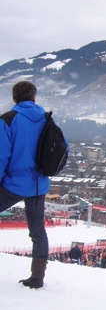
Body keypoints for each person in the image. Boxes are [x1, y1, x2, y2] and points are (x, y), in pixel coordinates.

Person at [0, 81, 68, 288]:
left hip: (14, 183)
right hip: (39, 184)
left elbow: (1, 156)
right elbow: (63, 149)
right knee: (38, 231)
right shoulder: (46, 119)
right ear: (34, 97)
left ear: (14, 98)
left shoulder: (8, 120)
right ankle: (37, 277)